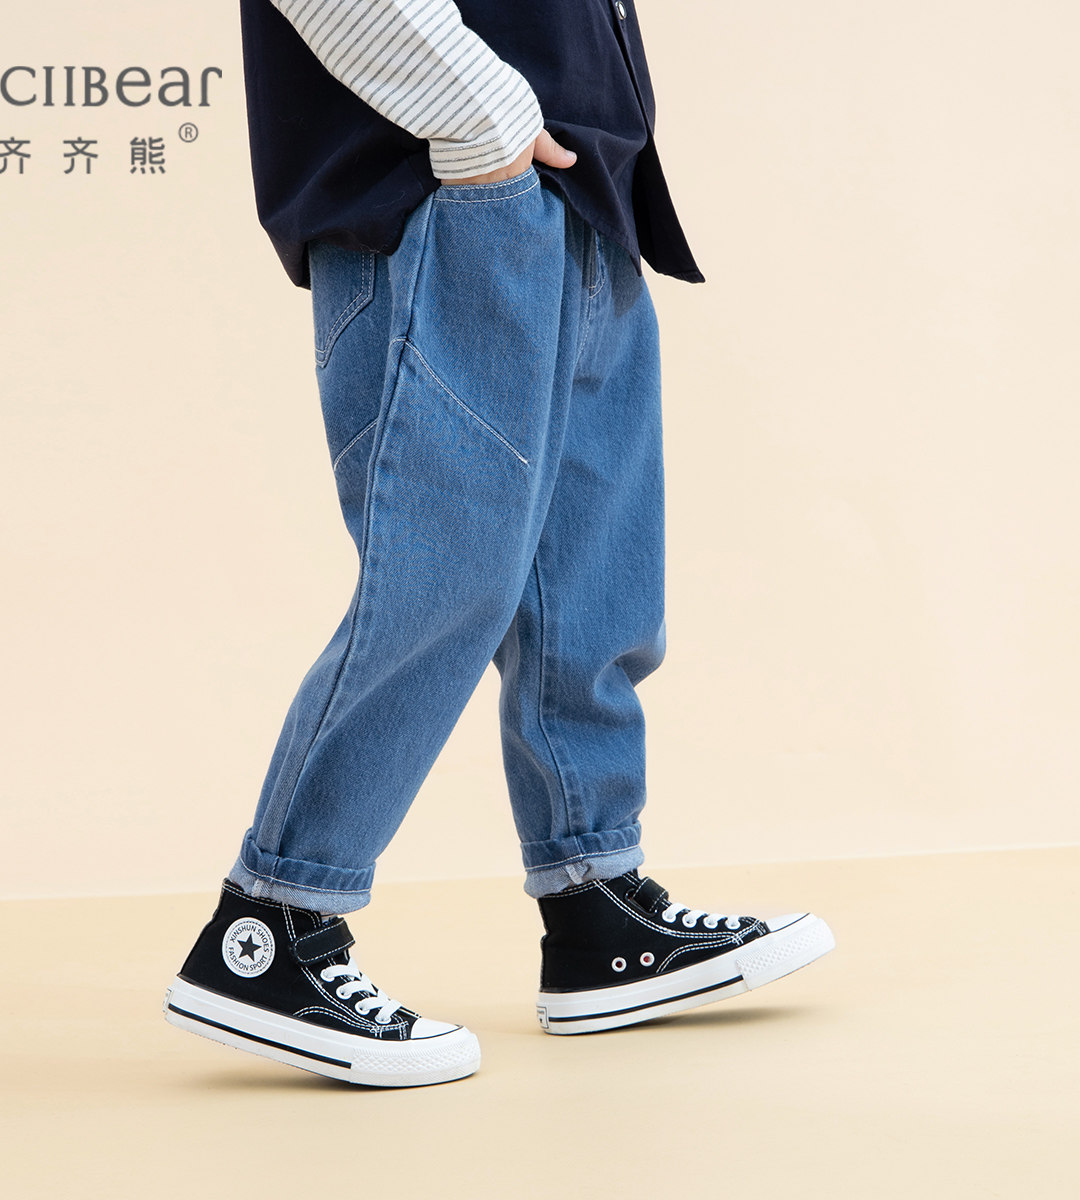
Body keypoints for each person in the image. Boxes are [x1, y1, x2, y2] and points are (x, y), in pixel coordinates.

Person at [163, 0, 834, 1087]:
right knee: (445, 579)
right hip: (448, 182)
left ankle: (596, 913)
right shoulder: (472, 142)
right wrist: (482, 118)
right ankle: (270, 928)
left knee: (592, 586)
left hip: (578, 187)